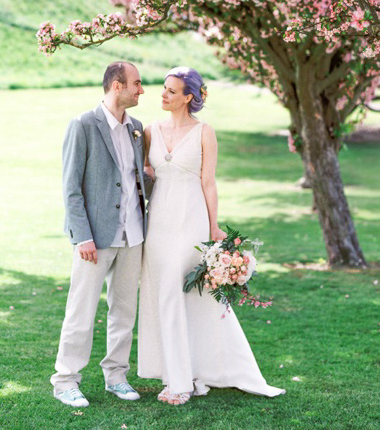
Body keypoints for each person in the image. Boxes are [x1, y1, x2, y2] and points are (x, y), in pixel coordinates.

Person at [137, 66, 285, 405]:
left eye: (171, 91)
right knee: (165, 295)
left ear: (189, 97)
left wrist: (214, 227)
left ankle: (181, 383)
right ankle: (179, 372)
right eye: (163, 88)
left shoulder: (205, 132)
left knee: (179, 292)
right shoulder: (149, 131)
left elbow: (208, 182)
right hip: (158, 221)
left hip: (191, 220)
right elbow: (145, 175)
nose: (163, 94)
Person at [51, 61, 149, 407]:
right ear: (117, 85)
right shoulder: (83, 125)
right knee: (81, 310)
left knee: (124, 311)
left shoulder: (136, 128)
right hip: (94, 239)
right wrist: (82, 236)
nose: (141, 90)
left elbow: (138, 181)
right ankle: (65, 381)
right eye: (136, 83)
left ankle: (116, 376)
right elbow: (71, 189)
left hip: (133, 236)